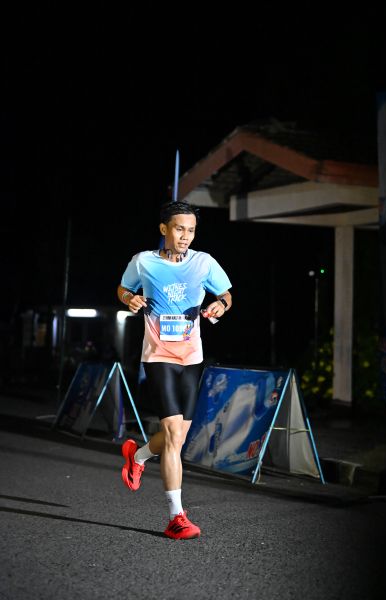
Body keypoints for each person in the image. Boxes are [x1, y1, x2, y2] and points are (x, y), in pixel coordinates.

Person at [117, 200, 232, 539]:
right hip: (159, 356)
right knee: (171, 434)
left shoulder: (204, 262)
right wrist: (129, 299)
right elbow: (123, 288)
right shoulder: (143, 262)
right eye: (180, 229)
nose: (185, 236)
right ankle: (176, 517)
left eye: (191, 230)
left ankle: (137, 456)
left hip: (192, 358)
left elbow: (226, 294)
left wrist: (220, 305)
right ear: (164, 229)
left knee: (177, 437)